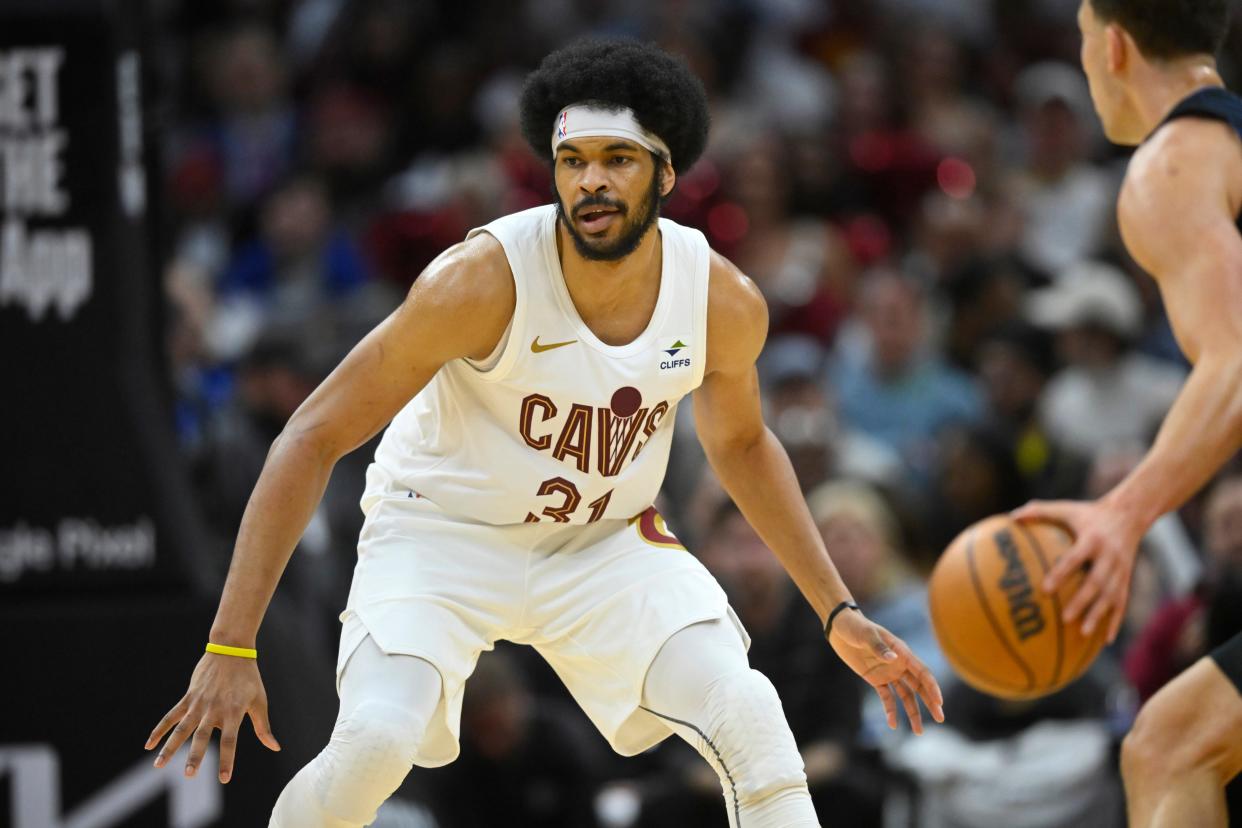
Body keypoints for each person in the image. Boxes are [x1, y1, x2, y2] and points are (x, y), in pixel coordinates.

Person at [144, 39, 944, 828]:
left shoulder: (720, 301)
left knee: (748, 711)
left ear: (667, 173)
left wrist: (838, 611)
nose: (591, 180)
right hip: (442, 533)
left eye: (618, 159)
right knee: (373, 745)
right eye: (574, 160)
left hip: (601, 542)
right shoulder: (478, 282)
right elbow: (311, 434)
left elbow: (740, 446)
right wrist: (230, 644)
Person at [1013, 2, 1242, 825]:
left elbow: (1236, 364)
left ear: (1110, 46)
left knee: (1168, 748)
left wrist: (1122, 511)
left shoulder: (1170, 165)